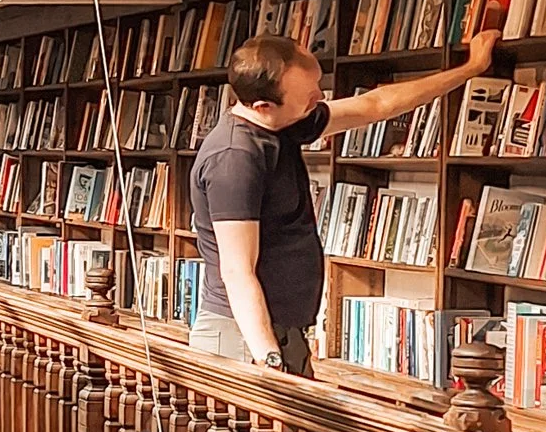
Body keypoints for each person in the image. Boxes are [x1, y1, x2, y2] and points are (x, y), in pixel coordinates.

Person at [189, 24, 499, 375]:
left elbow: (377, 104)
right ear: (263, 106)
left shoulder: (284, 122)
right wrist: (270, 360)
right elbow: (236, 270)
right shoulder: (235, 157)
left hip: (280, 335)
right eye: (308, 96)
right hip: (244, 339)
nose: (319, 98)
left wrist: (470, 69)